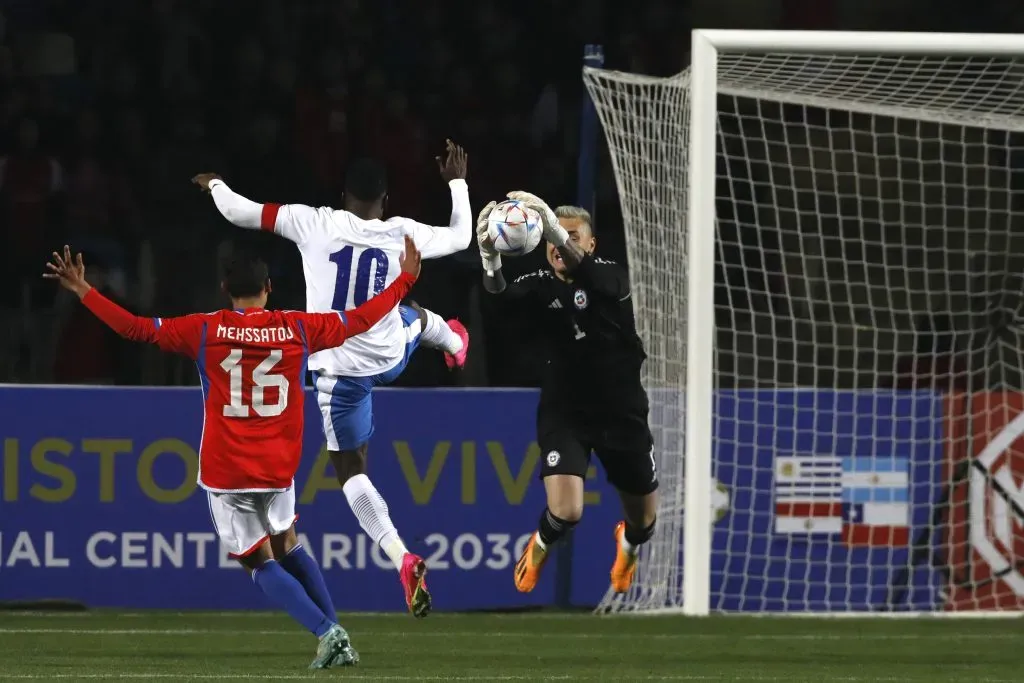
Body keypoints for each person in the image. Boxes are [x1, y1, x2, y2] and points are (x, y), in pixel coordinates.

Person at [43, 236, 422, 668]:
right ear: (269, 288)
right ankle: (338, 635)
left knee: (258, 562)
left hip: (228, 472)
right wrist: (404, 282)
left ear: (225, 289)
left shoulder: (205, 328)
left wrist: (83, 290)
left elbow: (135, 328)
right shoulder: (299, 327)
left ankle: (327, 632)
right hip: (279, 468)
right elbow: (360, 320)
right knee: (289, 545)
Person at [192, 139, 472, 617]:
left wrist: (213, 183)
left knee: (351, 473)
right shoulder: (403, 231)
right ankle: (454, 343)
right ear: (385, 202)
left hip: (337, 369)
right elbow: (462, 236)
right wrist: (458, 183)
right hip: (387, 353)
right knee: (415, 316)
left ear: (344, 195)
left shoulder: (314, 221)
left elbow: (241, 212)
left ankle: (400, 555)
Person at [477, 192, 658, 594]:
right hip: (566, 410)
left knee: (643, 522)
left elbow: (596, 279)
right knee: (567, 510)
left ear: (591, 245)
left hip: (621, 411)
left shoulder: (613, 277)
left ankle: (626, 544)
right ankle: (538, 546)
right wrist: (490, 259)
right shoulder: (538, 285)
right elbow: (498, 304)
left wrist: (556, 231)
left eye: (573, 237)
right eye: (555, 239)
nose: (562, 246)